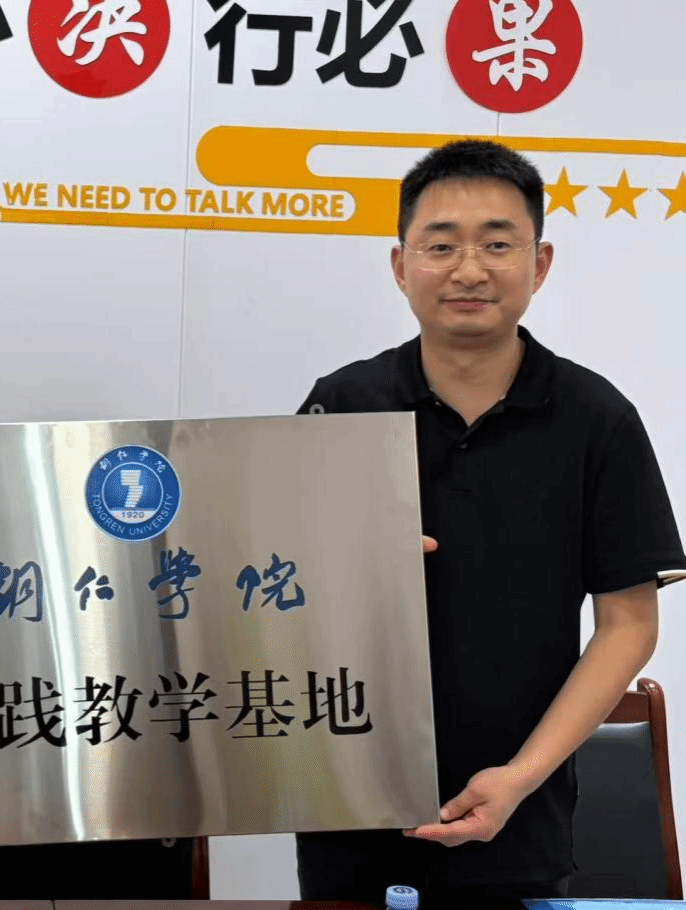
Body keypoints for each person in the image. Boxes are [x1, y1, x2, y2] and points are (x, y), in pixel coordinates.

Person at [293, 139, 686, 907]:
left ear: (540, 265)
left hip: (521, 813)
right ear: (400, 265)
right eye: (441, 245)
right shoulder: (340, 404)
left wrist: (521, 776)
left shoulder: (597, 418)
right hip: (351, 809)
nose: (469, 270)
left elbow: (628, 625)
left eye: (497, 245)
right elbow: (274, 594)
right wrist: (342, 566)